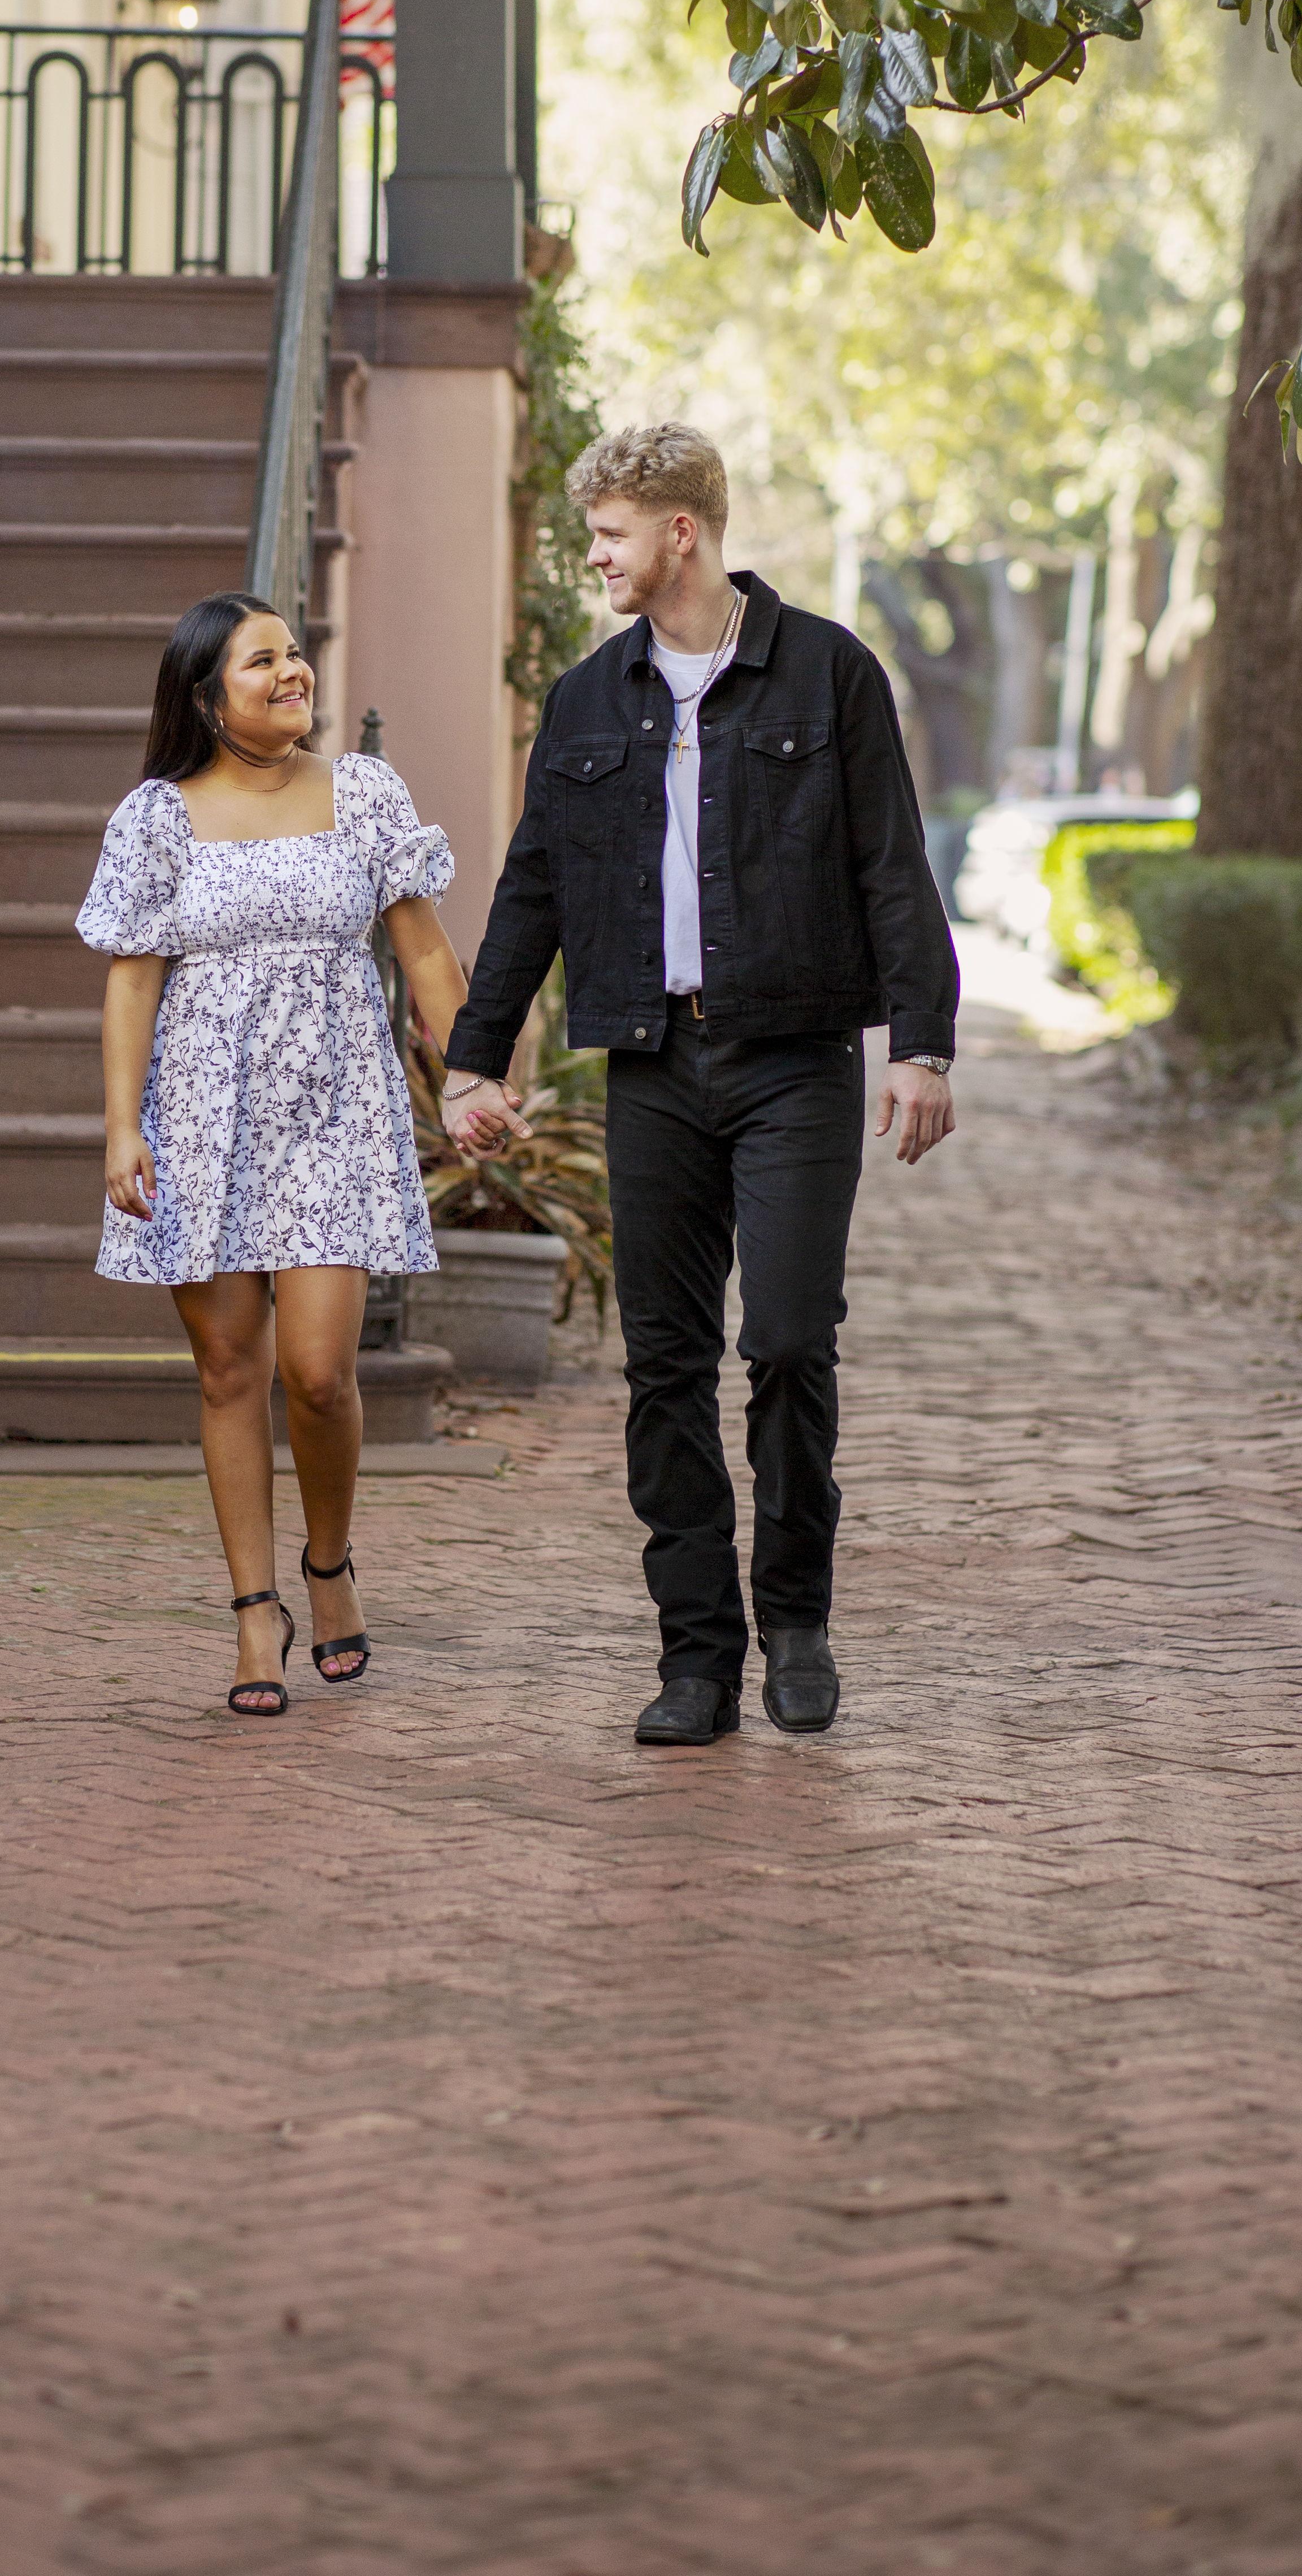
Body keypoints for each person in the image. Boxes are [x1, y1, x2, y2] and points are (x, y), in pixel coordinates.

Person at [442, 423, 960, 1747]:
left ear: (683, 531)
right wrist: (471, 1058)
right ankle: (695, 1656)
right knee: (663, 1365)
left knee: (787, 1340)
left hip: (793, 1060)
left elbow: (890, 866)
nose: (595, 557)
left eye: (611, 533)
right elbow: (534, 891)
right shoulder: (586, 701)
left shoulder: (829, 675)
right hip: (651, 1062)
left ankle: (796, 1622)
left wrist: (924, 1041)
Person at [79, 592, 474, 1718]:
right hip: (199, 1116)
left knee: (318, 1370)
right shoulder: (156, 818)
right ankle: (257, 1610)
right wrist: (122, 1126)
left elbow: (428, 959)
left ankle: (330, 1563)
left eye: (295, 655)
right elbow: (132, 978)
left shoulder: (363, 794)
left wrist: (477, 1078)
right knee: (227, 1371)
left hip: (335, 1116)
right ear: (207, 698)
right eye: (263, 662)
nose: (291, 673)